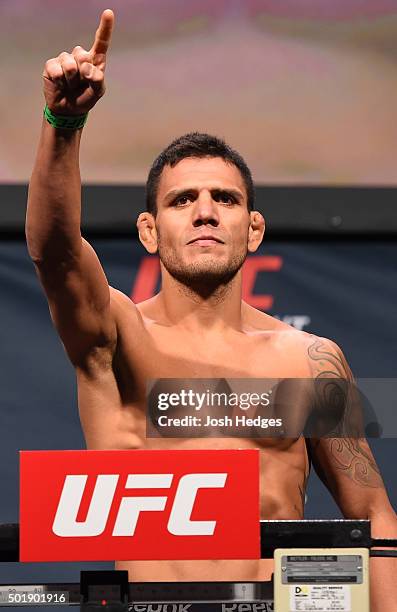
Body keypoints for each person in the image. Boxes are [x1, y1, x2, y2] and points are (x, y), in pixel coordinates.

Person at [25, 9, 396, 610]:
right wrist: (63, 125)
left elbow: (374, 517)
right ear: (149, 230)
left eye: (224, 198)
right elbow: (55, 252)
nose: (204, 212)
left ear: (253, 229)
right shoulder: (116, 337)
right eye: (182, 200)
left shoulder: (310, 361)